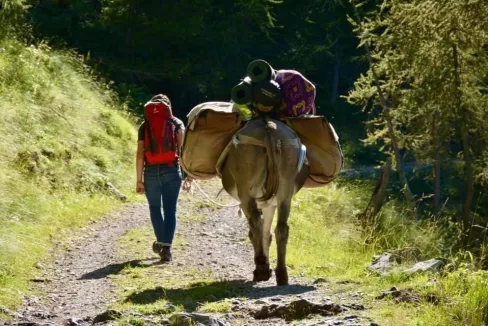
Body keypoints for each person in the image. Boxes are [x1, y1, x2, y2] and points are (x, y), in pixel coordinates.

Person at [135, 94, 185, 262]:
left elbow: (139, 155)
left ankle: (161, 243)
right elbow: (182, 150)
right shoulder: (177, 123)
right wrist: (188, 174)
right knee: (170, 209)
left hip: (150, 172)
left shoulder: (145, 125)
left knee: (155, 208)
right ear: (169, 108)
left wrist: (139, 179)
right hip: (171, 170)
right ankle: (166, 249)